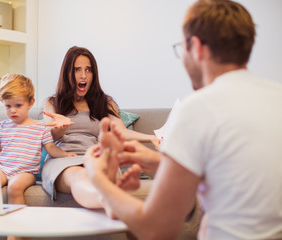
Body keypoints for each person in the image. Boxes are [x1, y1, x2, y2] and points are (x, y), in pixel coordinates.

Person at [84, 0, 282, 239]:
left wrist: (97, 178)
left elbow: (155, 229)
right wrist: (161, 161)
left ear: (196, 47)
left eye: (182, 47)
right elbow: (239, 172)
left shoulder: (199, 108)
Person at [41, 46, 158, 208]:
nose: (83, 75)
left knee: (99, 173)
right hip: (63, 159)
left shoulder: (105, 102)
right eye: (77, 70)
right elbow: (49, 140)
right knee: (82, 176)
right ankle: (112, 202)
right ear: (67, 73)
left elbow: (121, 132)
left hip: (94, 157)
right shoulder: (52, 103)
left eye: (88, 70)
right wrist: (60, 128)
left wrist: (151, 137)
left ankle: (111, 196)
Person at [0, 73, 76, 205]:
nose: (13, 110)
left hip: (26, 173)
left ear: (30, 102)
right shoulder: (2, 126)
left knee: (14, 187)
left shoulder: (40, 127)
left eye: (18, 105)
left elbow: (51, 148)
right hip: (3, 169)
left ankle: (15, 223)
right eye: (8, 106)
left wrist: (65, 154)